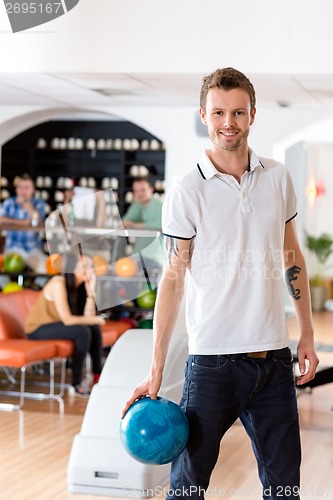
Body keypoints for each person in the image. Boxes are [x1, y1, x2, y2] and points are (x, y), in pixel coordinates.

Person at [122, 68, 319, 499]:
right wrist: (156, 371)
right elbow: (172, 280)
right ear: (204, 116)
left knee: (285, 489)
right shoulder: (187, 189)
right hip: (213, 364)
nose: (228, 121)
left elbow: (292, 257)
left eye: (237, 112)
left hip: (273, 360)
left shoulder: (279, 177)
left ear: (252, 115)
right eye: (218, 112)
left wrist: (306, 333)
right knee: (188, 489)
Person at [25, 251, 105, 396]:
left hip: (57, 326)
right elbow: (68, 320)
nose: (90, 269)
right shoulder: (58, 283)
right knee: (83, 331)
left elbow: (88, 316)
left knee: (93, 328)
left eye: (91, 266)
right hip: (38, 329)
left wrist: (90, 292)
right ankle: (76, 383)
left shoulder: (78, 288)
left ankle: (97, 376)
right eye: (85, 266)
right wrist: (96, 319)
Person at [0, 173, 47, 272]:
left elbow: (37, 221)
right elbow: (1, 219)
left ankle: (35, 287)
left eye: (27, 187)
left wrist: (26, 203)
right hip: (12, 248)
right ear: (16, 189)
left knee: (47, 269)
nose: (23, 191)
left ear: (33, 190)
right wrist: (24, 223)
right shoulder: (9, 203)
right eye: (20, 187)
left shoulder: (39, 203)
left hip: (33, 249)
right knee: (2, 270)